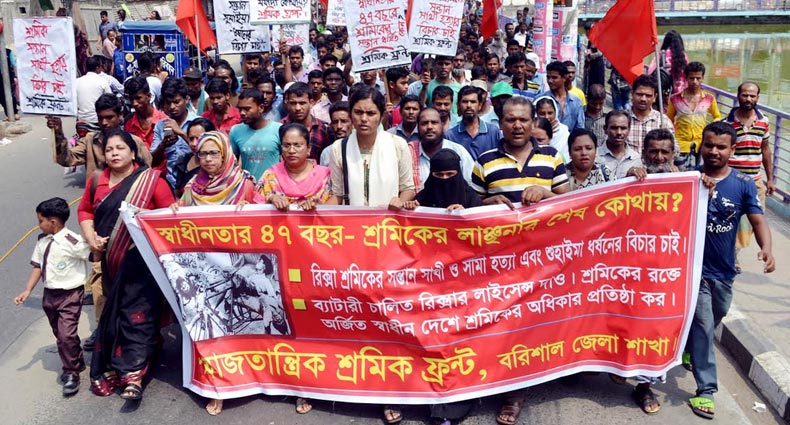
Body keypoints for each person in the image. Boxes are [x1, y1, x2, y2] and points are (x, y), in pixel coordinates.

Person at [686, 121, 774, 420]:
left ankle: (689, 348)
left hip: (724, 270)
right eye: (709, 145)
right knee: (704, 325)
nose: (714, 151)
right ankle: (706, 390)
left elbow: (758, 220)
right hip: (694, 270)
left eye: (721, 147)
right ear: (702, 145)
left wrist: (767, 248)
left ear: (732, 150)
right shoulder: (689, 179)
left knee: (717, 313)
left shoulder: (743, 183)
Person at [79, 129, 175, 401]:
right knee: (115, 315)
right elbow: (85, 210)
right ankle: (127, 361)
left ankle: (134, 376)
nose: (114, 154)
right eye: (109, 150)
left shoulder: (151, 181)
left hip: (143, 266)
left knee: (138, 316)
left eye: (120, 148)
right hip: (109, 262)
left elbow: (170, 216)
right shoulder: (97, 179)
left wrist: (146, 216)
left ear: (133, 152)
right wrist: (91, 237)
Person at [14, 197, 91, 396]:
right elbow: (37, 267)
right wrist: (27, 290)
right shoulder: (42, 241)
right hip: (49, 295)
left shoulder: (72, 241)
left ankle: (71, 372)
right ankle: (76, 360)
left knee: (66, 335)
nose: (38, 225)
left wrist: (97, 242)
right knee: (60, 333)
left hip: (70, 294)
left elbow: (91, 252)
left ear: (53, 222)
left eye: (41, 221)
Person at [328, 85, 415, 212]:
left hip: (387, 220)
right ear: (350, 115)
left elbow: (408, 188)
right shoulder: (339, 148)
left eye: (370, 113)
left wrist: (400, 201)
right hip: (352, 220)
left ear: (381, 116)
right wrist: (315, 211)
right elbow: (337, 195)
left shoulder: (398, 145)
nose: (364, 119)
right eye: (358, 112)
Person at [472, 96, 570, 209]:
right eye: (511, 120)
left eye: (523, 120)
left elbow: (568, 203)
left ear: (532, 123)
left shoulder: (551, 156)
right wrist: (488, 202)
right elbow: (472, 208)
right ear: (500, 124)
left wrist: (544, 193)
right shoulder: (484, 161)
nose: (517, 126)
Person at [724, 81, 774, 271]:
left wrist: (770, 179)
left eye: (752, 96)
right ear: (738, 96)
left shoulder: (764, 121)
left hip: (754, 181)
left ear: (758, 98)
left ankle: (737, 251)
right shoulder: (726, 123)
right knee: (731, 220)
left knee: (753, 221)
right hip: (733, 182)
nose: (748, 99)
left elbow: (766, 150)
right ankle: (731, 255)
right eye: (745, 95)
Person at [50, 94, 152, 178]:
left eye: (109, 117)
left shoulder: (134, 141)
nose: (104, 122)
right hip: (97, 194)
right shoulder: (90, 141)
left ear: (120, 115)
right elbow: (67, 160)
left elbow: (147, 169)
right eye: (100, 118)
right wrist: (58, 133)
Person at [257, 123, 337, 216]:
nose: (291, 151)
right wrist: (271, 199)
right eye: (286, 145)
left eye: (297, 145)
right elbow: (256, 210)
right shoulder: (271, 175)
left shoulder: (325, 176)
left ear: (308, 149)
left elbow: (334, 210)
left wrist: (319, 206)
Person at [667, 62, 721, 170]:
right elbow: (668, 120)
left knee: (700, 174)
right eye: (691, 78)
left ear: (702, 78)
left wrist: (710, 130)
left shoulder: (709, 98)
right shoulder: (675, 99)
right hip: (680, 145)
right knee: (681, 174)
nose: (695, 81)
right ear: (686, 78)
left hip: (701, 145)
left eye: (698, 78)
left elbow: (717, 116)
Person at [404, 148, 482, 216]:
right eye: (439, 174)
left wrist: (465, 213)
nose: (445, 178)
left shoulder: (471, 197)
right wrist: (410, 208)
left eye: (450, 174)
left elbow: (480, 222)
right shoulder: (422, 198)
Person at [411, 108, 475, 190]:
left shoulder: (458, 151)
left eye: (434, 122)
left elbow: (472, 185)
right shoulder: (410, 153)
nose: (429, 127)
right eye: (424, 123)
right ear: (418, 127)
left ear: (442, 125)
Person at [151, 78, 198, 189]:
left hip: (195, 181)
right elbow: (152, 161)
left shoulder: (198, 123)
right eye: (168, 103)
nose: (172, 107)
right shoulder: (161, 125)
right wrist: (162, 146)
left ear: (186, 99)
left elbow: (204, 150)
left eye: (176, 102)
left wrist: (181, 133)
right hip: (171, 184)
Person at [231, 88, 282, 180]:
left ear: (261, 108)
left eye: (247, 109)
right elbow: (233, 162)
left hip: (273, 186)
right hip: (248, 185)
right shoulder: (236, 131)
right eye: (240, 109)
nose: (242, 113)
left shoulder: (278, 129)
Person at [446, 86, 503, 160]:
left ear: (480, 105)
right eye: (465, 102)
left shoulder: (493, 132)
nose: (469, 106)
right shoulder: (450, 136)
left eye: (473, 102)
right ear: (458, 105)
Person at [282, 82, 333, 160]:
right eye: (293, 103)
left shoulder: (324, 129)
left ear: (311, 103)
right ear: (287, 103)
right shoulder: (281, 127)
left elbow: (327, 158)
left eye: (302, 103)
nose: (298, 108)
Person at [629, 75, 675, 155]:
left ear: (654, 97)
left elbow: (675, 150)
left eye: (648, 96)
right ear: (632, 94)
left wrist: (665, 139)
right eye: (639, 94)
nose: (643, 99)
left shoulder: (663, 121)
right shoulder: (620, 120)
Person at [174, 117, 216, 195]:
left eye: (199, 138)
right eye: (191, 139)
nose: (194, 143)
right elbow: (178, 192)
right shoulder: (183, 161)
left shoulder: (215, 166)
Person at [124, 77, 169, 149]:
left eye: (138, 98)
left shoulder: (165, 121)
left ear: (149, 96)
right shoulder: (128, 123)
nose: (134, 103)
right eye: (131, 99)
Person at [596, 110, 643, 179]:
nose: (619, 132)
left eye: (623, 128)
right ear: (605, 129)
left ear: (629, 130)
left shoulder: (635, 158)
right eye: (614, 128)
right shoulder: (595, 157)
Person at [541, 61, 585, 130]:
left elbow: (580, 127)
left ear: (564, 78)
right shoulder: (541, 99)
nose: (550, 81)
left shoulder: (576, 101)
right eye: (548, 77)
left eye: (554, 77)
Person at [649, 30, 689, 96]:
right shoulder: (683, 55)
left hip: (665, 90)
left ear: (666, 41)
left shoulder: (662, 54)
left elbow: (650, 70)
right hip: (681, 90)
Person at [75, 56, 113, 126]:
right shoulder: (103, 81)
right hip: (97, 120)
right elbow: (110, 100)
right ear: (97, 68)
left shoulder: (77, 82)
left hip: (81, 119)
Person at [534, 97, 570, 163]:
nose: (547, 117)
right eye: (542, 113)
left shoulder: (563, 131)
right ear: (536, 114)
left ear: (556, 112)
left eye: (550, 113)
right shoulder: (531, 132)